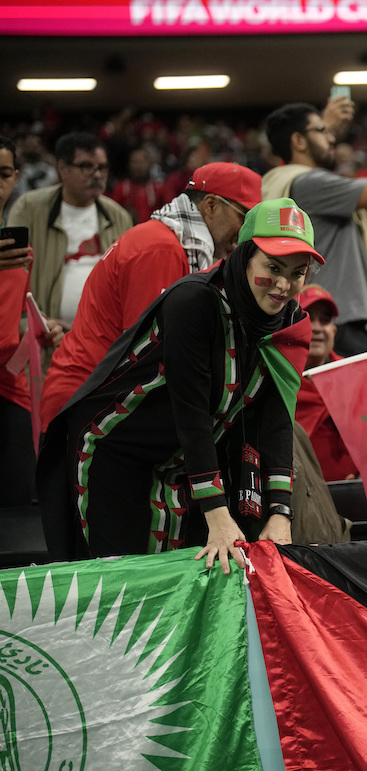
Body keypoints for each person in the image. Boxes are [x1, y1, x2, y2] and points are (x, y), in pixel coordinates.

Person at [37, 197, 322, 574]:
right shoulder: (194, 301)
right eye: (272, 267)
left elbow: (275, 419)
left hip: (183, 461)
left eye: (297, 272)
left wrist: (279, 511)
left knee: (194, 583)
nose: (284, 285)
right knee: (131, 587)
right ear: (243, 254)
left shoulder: (287, 319)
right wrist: (217, 514)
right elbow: (192, 412)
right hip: (117, 451)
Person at [41, 161, 262, 423]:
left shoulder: (169, 241)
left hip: (98, 395)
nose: (246, 233)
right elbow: (148, 354)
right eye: (244, 217)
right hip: (86, 400)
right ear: (212, 205)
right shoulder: (161, 248)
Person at [263, 101, 367, 356]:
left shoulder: (282, 182)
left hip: (329, 317)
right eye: (321, 130)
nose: (331, 138)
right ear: (299, 141)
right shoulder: (310, 182)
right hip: (340, 323)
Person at [9, 132, 133, 351]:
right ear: (63, 169)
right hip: (46, 343)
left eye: (102, 168)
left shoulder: (118, 216)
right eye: (86, 166)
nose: (97, 175)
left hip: (104, 345)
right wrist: (28, 324)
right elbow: (10, 278)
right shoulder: (29, 209)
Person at [0, 134, 38, 506]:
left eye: (4, 173)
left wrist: (40, 332)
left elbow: (13, 326)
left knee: (16, 504)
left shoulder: (21, 253)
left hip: (10, 386)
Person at [294, 284, 360, 482]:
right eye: (308, 318)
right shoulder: (279, 379)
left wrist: (361, 475)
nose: (317, 327)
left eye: (324, 320)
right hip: (299, 493)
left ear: (334, 330)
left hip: (355, 488)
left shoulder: (354, 375)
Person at [110, 145, 167, 223]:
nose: (139, 166)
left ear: (149, 164)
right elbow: (112, 212)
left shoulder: (159, 188)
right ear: (129, 164)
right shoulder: (121, 188)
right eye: (135, 162)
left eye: (142, 162)